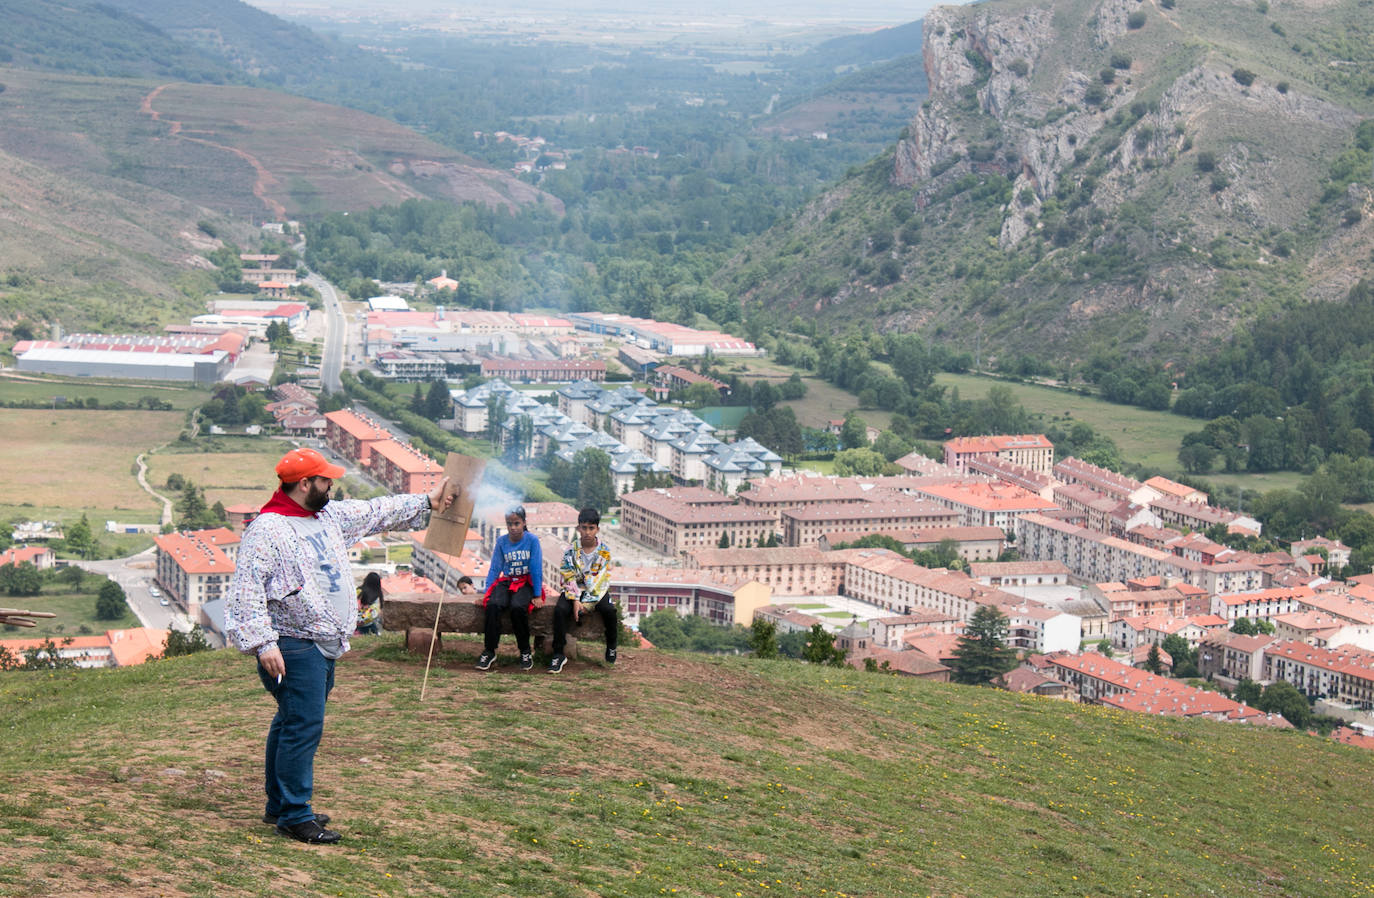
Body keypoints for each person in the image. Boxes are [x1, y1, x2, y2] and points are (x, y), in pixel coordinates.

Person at [225, 447, 454, 845]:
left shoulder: (327, 516)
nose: (332, 485)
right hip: (293, 644)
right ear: (304, 484)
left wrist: (425, 502)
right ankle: (295, 815)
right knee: (303, 726)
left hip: (322, 643)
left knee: (290, 720)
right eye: (325, 480)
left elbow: (375, 511)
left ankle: (280, 805)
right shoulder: (268, 530)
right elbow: (246, 592)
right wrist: (264, 643)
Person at [549, 506, 617, 673]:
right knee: (559, 611)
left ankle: (611, 646)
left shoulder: (604, 551)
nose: (587, 532)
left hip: (596, 590)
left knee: (609, 610)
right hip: (574, 590)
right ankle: (558, 653)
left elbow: (599, 580)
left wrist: (585, 604)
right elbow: (567, 575)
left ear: (597, 529)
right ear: (578, 528)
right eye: (584, 528)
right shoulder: (571, 550)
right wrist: (575, 600)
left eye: (591, 528)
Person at [476, 505, 543, 672]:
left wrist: (536, 594)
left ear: (524, 523)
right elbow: (495, 568)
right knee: (493, 605)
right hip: (507, 581)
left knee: (517, 608)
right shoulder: (501, 542)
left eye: (517, 523)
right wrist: (486, 595)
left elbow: (535, 567)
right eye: (509, 524)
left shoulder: (532, 541)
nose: (513, 528)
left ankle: (525, 651)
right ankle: (490, 650)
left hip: (525, 582)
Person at [356, 571, 383, 636]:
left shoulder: (359, 590)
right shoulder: (378, 594)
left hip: (356, 622)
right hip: (371, 623)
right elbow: (379, 609)